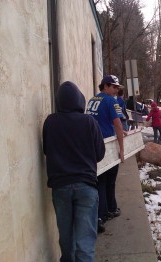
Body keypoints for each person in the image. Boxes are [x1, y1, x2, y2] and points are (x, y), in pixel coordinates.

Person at [43, 81, 106, 262]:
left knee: (66, 237)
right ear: (80, 100)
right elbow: (100, 154)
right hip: (86, 186)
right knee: (84, 241)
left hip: (60, 186)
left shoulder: (50, 121)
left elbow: (47, 150)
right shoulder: (89, 122)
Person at [86, 75, 125, 233]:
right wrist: (122, 149)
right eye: (114, 87)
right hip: (107, 146)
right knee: (109, 180)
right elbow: (117, 124)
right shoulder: (111, 101)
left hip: (92, 145)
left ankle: (100, 214)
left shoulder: (92, 100)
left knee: (99, 180)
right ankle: (109, 210)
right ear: (106, 86)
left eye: (117, 88)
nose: (116, 90)